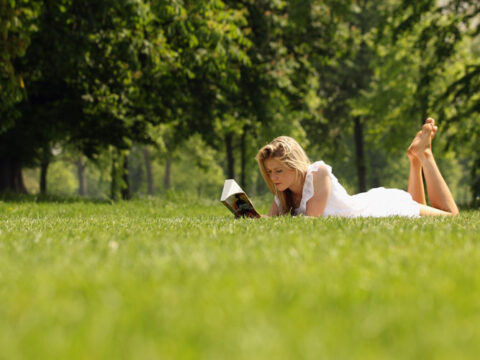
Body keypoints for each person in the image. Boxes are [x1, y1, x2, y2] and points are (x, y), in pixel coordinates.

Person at [255, 118, 459, 217]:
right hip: (368, 201)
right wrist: (247, 214)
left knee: (450, 218)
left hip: (379, 208)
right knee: (423, 213)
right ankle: (415, 162)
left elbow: (311, 220)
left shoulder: (318, 173)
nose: (273, 177)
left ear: (295, 166)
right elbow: (271, 222)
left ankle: (425, 155)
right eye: (270, 172)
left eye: (279, 170)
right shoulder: (283, 191)